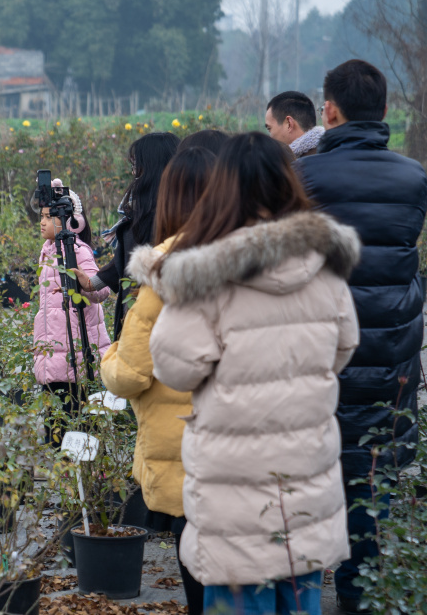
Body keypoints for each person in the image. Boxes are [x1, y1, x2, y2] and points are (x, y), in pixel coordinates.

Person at [145, 133, 360, 615]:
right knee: (299, 598)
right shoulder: (325, 268)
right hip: (306, 478)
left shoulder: (207, 278)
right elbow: (344, 348)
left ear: (222, 190)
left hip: (235, 494)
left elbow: (174, 367)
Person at [295, 59, 427, 614]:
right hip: (394, 352)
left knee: (316, 471)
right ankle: (362, 593)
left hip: (326, 350)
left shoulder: (305, 179)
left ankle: (308, 585)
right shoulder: (414, 177)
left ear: (328, 110)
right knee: (378, 472)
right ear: (385, 111)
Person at [99, 147, 216, 615]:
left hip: (186, 441)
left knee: (199, 558)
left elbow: (130, 374)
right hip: (254, 446)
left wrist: (108, 353)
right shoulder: (265, 256)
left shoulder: (165, 269)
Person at [75, 132, 179, 339]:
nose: (134, 173)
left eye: (136, 165)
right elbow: (130, 257)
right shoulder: (147, 208)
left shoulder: (165, 215)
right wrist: (92, 283)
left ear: (152, 167)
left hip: (151, 322)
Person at [32, 181, 110, 440]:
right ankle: (65, 476)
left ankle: (84, 476)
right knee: (56, 426)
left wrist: (83, 284)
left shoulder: (76, 250)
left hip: (75, 358)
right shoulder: (48, 251)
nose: (42, 222)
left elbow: (101, 290)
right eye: (41, 217)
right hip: (55, 355)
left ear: (70, 221)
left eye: (49, 217)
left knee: (77, 423)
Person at [266, 91, 324, 158]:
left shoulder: (297, 166)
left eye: (269, 129)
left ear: (289, 124)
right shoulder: (331, 153)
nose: (270, 137)